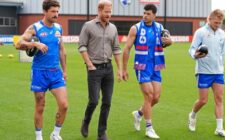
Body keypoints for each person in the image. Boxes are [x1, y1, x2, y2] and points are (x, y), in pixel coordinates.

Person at [15, 0, 68, 140]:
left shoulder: (58, 28)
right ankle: (39, 137)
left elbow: (62, 50)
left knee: (64, 105)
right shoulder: (35, 28)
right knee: (40, 105)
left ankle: (55, 134)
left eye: (57, 11)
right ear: (45, 11)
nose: (56, 14)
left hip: (56, 72)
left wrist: (65, 70)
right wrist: (35, 43)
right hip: (39, 72)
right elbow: (18, 43)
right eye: (53, 11)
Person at [122, 4, 172, 139]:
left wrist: (169, 41)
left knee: (156, 98)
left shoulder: (161, 28)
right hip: (142, 66)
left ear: (154, 15)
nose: (145, 16)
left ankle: (138, 114)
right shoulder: (136, 28)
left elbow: (165, 43)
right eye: (144, 13)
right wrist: (124, 69)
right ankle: (149, 128)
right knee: (149, 96)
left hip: (156, 65)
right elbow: (126, 48)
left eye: (148, 14)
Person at [78, 0, 122, 140]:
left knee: (107, 102)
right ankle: (86, 121)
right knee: (94, 101)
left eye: (110, 11)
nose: (109, 14)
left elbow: (116, 49)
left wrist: (120, 69)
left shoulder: (113, 28)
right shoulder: (88, 26)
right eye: (106, 12)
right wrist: (89, 64)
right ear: (99, 10)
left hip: (108, 69)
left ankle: (101, 133)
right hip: (94, 69)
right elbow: (82, 46)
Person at [188, 9, 225, 138]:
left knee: (219, 99)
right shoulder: (200, 32)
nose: (218, 24)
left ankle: (219, 128)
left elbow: (223, 52)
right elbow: (191, 49)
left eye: (220, 22)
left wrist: (222, 68)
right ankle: (193, 115)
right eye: (216, 22)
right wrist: (195, 55)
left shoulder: (222, 34)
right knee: (203, 100)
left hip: (218, 72)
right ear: (210, 19)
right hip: (203, 71)